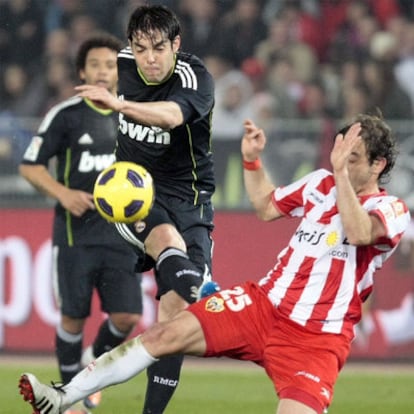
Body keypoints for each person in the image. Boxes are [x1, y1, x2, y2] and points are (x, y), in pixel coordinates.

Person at [19, 113, 410, 414]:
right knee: (164, 335)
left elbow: (359, 233)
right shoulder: (319, 184)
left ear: (378, 164)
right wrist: (253, 163)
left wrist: (340, 171)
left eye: (353, 157)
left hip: (315, 341)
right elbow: (265, 206)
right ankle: (61, 396)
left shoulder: (391, 209)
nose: (339, 160)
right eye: (339, 152)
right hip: (261, 307)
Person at [73, 5, 220, 413]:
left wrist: (119, 107)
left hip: (190, 201)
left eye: (158, 48)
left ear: (176, 44)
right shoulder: (120, 65)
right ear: (131, 48)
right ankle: (205, 290)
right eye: (140, 49)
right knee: (166, 242)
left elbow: (171, 116)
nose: (149, 59)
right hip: (132, 193)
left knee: (172, 321)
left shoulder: (196, 78)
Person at [19, 33, 143, 414]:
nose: (103, 72)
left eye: (110, 65)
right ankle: (69, 399)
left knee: (128, 317)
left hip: (122, 236)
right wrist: (63, 193)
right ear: (81, 71)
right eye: (95, 65)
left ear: (119, 73)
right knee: (73, 316)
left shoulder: (134, 116)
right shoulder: (66, 115)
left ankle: (91, 364)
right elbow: (29, 166)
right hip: (75, 237)